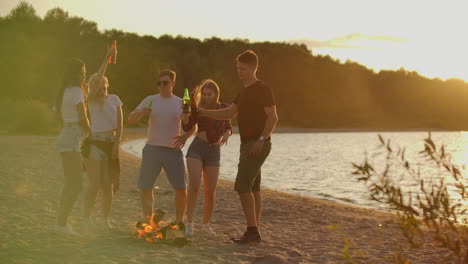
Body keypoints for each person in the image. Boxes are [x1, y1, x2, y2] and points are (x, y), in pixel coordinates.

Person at [198, 50, 278, 243]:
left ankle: (252, 231)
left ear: (252, 68)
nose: (239, 72)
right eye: (237, 68)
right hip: (246, 144)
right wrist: (204, 112)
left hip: (257, 144)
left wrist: (260, 140)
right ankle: (255, 230)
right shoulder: (243, 91)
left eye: (242, 69)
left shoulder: (262, 89)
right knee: (254, 188)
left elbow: (273, 118)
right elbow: (228, 113)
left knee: (242, 186)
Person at [128, 70, 195, 228]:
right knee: (145, 186)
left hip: (173, 150)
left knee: (180, 187)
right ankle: (148, 221)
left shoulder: (181, 102)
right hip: (152, 149)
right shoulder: (150, 100)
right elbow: (130, 119)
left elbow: (193, 126)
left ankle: (178, 222)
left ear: (173, 83)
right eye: (159, 83)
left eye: (165, 83)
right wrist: (141, 113)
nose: (162, 86)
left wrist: (185, 137)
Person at [182, 79, 232, 236]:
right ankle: (189, 223)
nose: (206, 96)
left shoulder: (224, 108)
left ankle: (206, 225)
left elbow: (229, 127)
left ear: (216, 94)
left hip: (214, 152)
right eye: (204, 94)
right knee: (195, 187)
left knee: (210, 191)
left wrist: (227, 133)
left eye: (209, 94)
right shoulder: (198, 108)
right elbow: (187, 126)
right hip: (197, 149)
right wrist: (185, 114)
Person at [82, 47, 122, 230]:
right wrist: (107, 59)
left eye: (106, 86)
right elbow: (97, 79)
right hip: (94, 144)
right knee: (95, 184)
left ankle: (105, 219)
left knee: (108, 185)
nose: (103, 88)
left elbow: (120, 126)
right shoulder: (91, 100)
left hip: (110, 144)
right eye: (100, 86)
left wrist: (116, 145)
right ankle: (86, 217)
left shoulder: (114, 99)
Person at [54, 58, 90, 234]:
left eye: (85, 73)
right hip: (71, 139)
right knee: (75, 185)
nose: (84, 76)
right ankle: (61, 223)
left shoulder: (64, 91)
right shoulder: (76, 91)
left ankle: (60, 223)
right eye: (81, 73)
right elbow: (83, 118)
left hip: (67, 137)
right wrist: (91, 134)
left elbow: (57, 117)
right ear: (74, 74)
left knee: (71, 183)